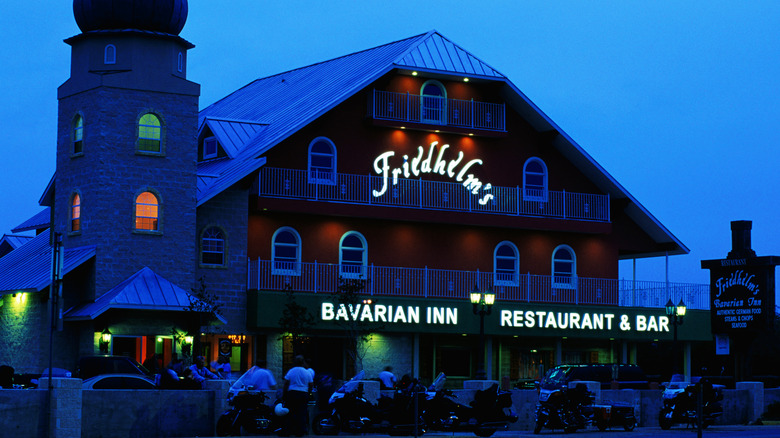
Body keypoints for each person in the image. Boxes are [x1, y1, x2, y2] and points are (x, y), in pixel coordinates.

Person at [283, 355, 313, 436]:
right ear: (303, 362)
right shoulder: (307, 372)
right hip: (303, 393)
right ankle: (300, 431)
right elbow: (310, 384)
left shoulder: (291, 371)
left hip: (292, 393)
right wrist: (309, 393)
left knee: (290, 412)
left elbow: (286, 383)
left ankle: (289, 430)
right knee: (302, 413)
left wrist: (284, 393)